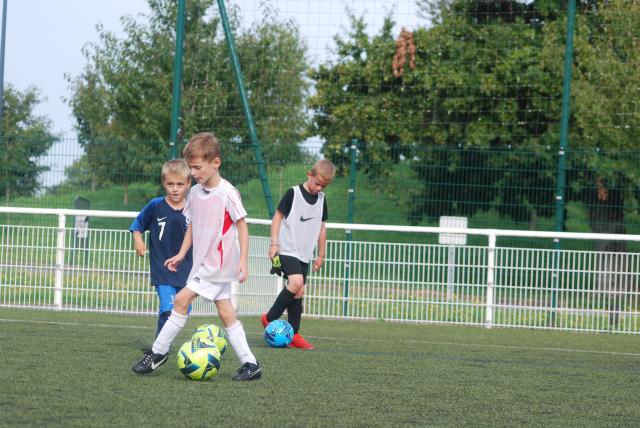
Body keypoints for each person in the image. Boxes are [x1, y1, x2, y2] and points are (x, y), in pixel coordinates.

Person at [132, 132, 261, 381]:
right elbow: (192, 225)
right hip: (202, 262)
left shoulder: (228, 193)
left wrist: (243, 261)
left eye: (197, 167)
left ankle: (158, 353)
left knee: (180, 301)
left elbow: (242, 226)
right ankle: (250, 363)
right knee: (226, 312)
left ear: (216, 162)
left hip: (218, 264)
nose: (193, 172)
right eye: (190, 167)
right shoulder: (196, 193)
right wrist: (181, 254)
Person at [261, 159, 335, 350]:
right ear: (309, 174)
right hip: (286, 249)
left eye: (324, 185)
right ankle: (269, 318)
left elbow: (322, 228)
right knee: (296, 283)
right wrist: (274, 243)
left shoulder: (321, 199)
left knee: (299, 290)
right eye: (317, 183)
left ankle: (294, 334)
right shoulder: (293, 193)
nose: (319, 188)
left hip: (304, 254)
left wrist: (321, 255)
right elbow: (277, 217)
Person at [129, 159, 192, 340]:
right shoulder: (156, 205)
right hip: (162, 268)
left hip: (186, 269)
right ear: (164, 183)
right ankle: (160, 347)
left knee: (182, 310)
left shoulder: (193, 208)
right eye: (170, 184)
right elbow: (138, 223)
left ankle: (160, 341)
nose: (175, 188)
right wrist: (138, 238)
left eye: (180, 184)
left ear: (188, 184)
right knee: (168, 309)